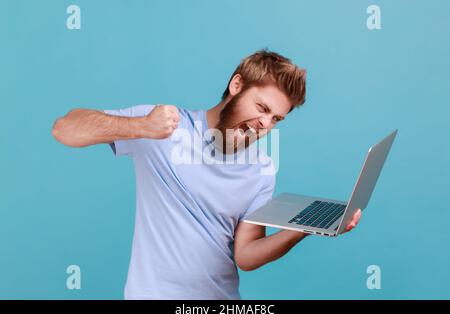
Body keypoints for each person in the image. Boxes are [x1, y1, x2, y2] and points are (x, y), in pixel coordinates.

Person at [51, 49, 362, 299]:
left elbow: (246, 255)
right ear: (236, 86)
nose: (265, 124)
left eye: (276, 119)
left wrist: (306, 227)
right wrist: (140, 126)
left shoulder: (261, 169)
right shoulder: (165, 126)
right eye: (261, 107)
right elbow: (65, 129)